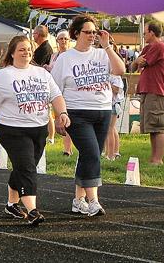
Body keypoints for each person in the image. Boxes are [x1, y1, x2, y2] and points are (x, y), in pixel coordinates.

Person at [0, 35, 70, 225]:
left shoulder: (42, 73)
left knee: (24, 165)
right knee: (27, 168)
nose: (26, 52)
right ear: (13, 53)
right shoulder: (3, 75)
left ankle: (11, 204)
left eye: (29, 49)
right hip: (12, 130)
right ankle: (32, 210)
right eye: (22, 49)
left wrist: (62, 113)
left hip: (39, 128)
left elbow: (56, 95)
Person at [50, 15, 125, 217]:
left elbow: (120, 70)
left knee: (88, 156)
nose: (92, 35)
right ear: (76, 33)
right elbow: (55, 90)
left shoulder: (102, 55)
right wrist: (59, 115)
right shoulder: (65, 59)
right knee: (92, 154)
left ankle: (78, 199)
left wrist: (107, 46)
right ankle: (93, 200)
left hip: (102, 111)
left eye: (94, 32)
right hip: (77, 113)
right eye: (88, 32)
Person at [132, 22, 164, 165]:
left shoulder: (159, 46)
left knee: (157, 126)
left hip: (156, 90)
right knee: (151, 127)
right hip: (146, 90)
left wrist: (138, 61)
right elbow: (133, 65)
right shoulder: (148, 47)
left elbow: (142, 63)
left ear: (152, 32)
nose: (144, 35)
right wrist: (137, 61)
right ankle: (153, 158)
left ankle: (158, 159)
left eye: (145, 32)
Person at [45, 30, 74, 155]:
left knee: (65, 118)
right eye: (60, 39)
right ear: (57, 41)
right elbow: (54, 70)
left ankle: (67, 149)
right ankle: (67, 147)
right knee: (59, 119)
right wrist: (47, 68)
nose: (63, 41)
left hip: (68, 90)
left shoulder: (72, 55)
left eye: (65, 39)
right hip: (55, 90)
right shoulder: (54, 56)